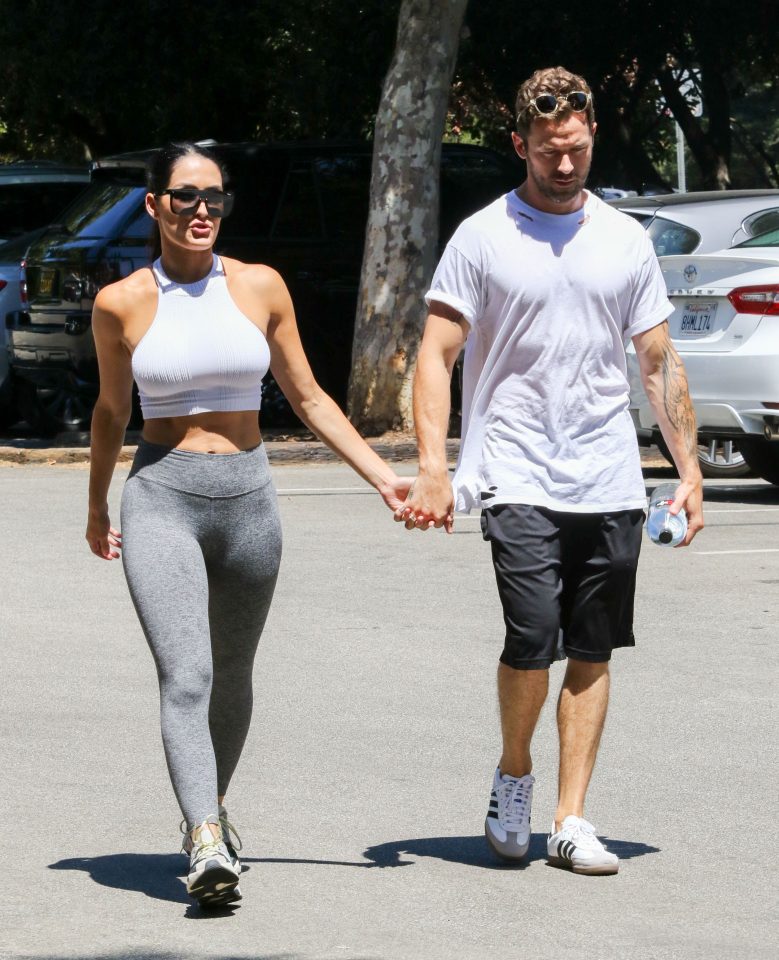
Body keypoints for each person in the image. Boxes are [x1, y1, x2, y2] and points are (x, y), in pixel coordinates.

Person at [85, 141, 412, 907]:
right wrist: (97, 505)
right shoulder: (122, 302)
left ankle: (212, 811)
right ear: (154, 205)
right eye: (187, 197)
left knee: (231, 674)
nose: (203, 212)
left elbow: (310, 398)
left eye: (216, 199)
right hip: (162, 495)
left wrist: (383, 478)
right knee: (187, 674)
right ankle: (204, 837)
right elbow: (109, 413)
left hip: (249, 500)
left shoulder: (260, 287)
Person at [396, 66, 703, 876]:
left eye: (573, 148)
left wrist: (690, 472)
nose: (562, 164)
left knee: (593, 647)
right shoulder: (483, 236)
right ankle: (514, 772)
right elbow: (435, 353)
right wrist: (434, 467)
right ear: (519, 144)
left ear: (591, 134)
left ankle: (569, 819)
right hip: (516, 470)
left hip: (606, 475)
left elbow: (656, 360)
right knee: (532, 638)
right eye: (546, 150)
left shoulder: (624, 239)